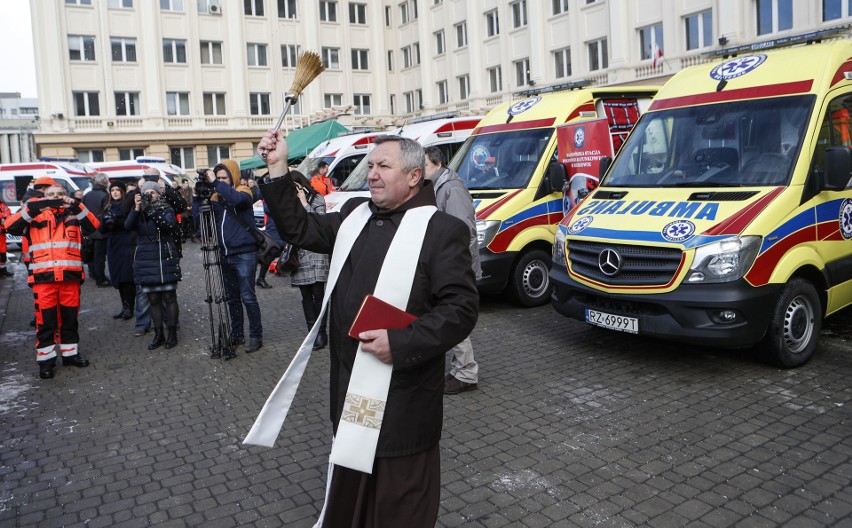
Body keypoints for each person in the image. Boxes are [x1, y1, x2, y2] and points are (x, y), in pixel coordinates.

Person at [255, 131, 478, 526]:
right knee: (351, 493)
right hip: (350, 388)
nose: (372, 174)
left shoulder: (443, 230)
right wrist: (278, 167)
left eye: (383, 166)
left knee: (397, 504)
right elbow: (299, 229)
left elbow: (461, 310)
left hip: (402, 399)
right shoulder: (355, 215)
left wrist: (402, 341)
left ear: (413, 176)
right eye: (370, 166)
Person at [6, 183, 99, 379]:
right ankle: (46, 361)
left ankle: (70, 354)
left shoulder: (74, 213)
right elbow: (10, 227)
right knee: (45, 322)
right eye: (51, 195)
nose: (56, 197)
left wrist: (76, 204)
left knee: (69, 319)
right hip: (43, 278)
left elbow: (94, 227)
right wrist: (33, 207)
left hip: (70, 277)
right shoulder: (34, 214)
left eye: (60, 194)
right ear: (43, 196)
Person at [424, 146, 481, 394]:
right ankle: (461, 369)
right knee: (446, 316)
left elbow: (462, 231)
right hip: (446, 264)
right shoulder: (439, 185)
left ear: (436, 163)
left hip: (455, 266)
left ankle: (467, 373)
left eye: (423, 164)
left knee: (453, 316)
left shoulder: (452, 188)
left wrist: (457, 268)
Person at [196, 160, 263, 354]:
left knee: (248, 297)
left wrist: (217, 185)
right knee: (232, 298)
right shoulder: (217, 195)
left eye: (224, 178)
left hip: (244, 253)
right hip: (224, 253)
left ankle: (256, 336)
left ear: (232, 176)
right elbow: (202, 217)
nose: (220, 181)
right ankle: (237, 334)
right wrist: (199, 196)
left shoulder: (244, 191)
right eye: (217, 178)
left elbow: (238, 201)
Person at [125, 180, 182, 350]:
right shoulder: (139, 211)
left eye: (153, 192)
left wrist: (150, 209)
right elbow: (128, 226)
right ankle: (159, 334)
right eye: (146, 192)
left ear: (159, 194)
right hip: (145, 258)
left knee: (169, 296)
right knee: (153, 298)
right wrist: (136, 209)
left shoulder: (166, 208)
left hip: (165, 256)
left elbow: (167, 226)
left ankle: (172, 333)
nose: (150, 195)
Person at [290, 171, 330, 350]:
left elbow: (320, 223)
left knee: (318, 294)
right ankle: (311, 333)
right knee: (305, 295)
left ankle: (321, 333)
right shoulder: (290, 203)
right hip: (300, 254)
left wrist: (305, 203)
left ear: (301, 184)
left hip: (317, 251)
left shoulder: (317, 198)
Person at [100, 180, 135, 320]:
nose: (115, 192)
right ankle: (124, 306)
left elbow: (129, 224)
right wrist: (106, 222)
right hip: (113, 244)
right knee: (118, 277)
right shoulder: (107, 207)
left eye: (117, 190)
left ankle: (130, 308)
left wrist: (117, 221)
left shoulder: (127, 206)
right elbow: (101, 230)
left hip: (125, 243)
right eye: (112, 190)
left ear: (123, 192)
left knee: (127, 276)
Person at [82, 172, 110, 287]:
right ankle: (101, 279)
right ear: (105, 182)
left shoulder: (87, 195)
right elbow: (106, 214)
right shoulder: (105, 196)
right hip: (101, 231)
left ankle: (94, 275)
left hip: (89, 230)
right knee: (99, 257)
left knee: (91, 255)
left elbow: (82, 213)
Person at [0, 197, 12, 278]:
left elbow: (8, 212)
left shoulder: (2, 204)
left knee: (3, 254)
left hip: (2, 233)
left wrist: (4, 217)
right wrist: (2, 217)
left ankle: (3, 271)